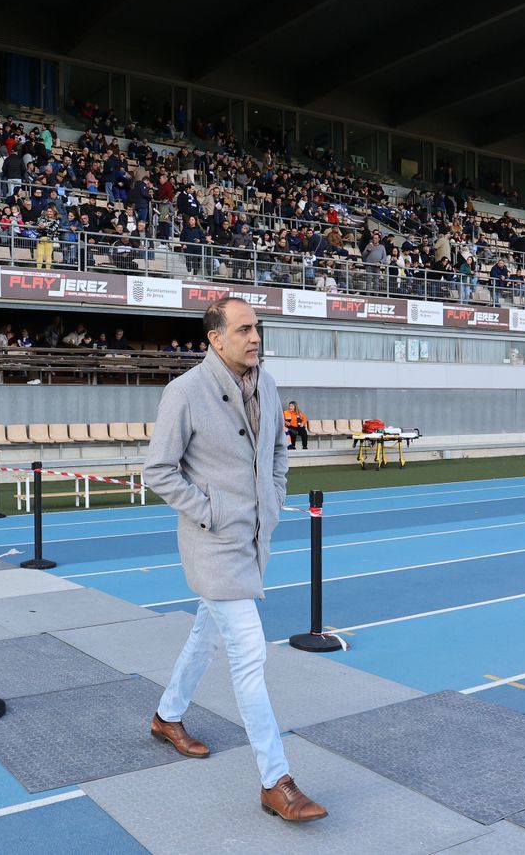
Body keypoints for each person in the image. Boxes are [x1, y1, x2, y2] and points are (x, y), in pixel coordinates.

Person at [142, 298, 325, 823]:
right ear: (215, 338)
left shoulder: (266, 383)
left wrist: (275, 500)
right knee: (249, 653)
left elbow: (276, 452)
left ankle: (166, 716)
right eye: (244, 329)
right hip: (214, 543)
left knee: (206, 634)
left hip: (254, 539)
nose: (255, 338)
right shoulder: (184, 392)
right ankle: (276, 781)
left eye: (257, 329)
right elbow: (158, 470)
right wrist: (211, 513)